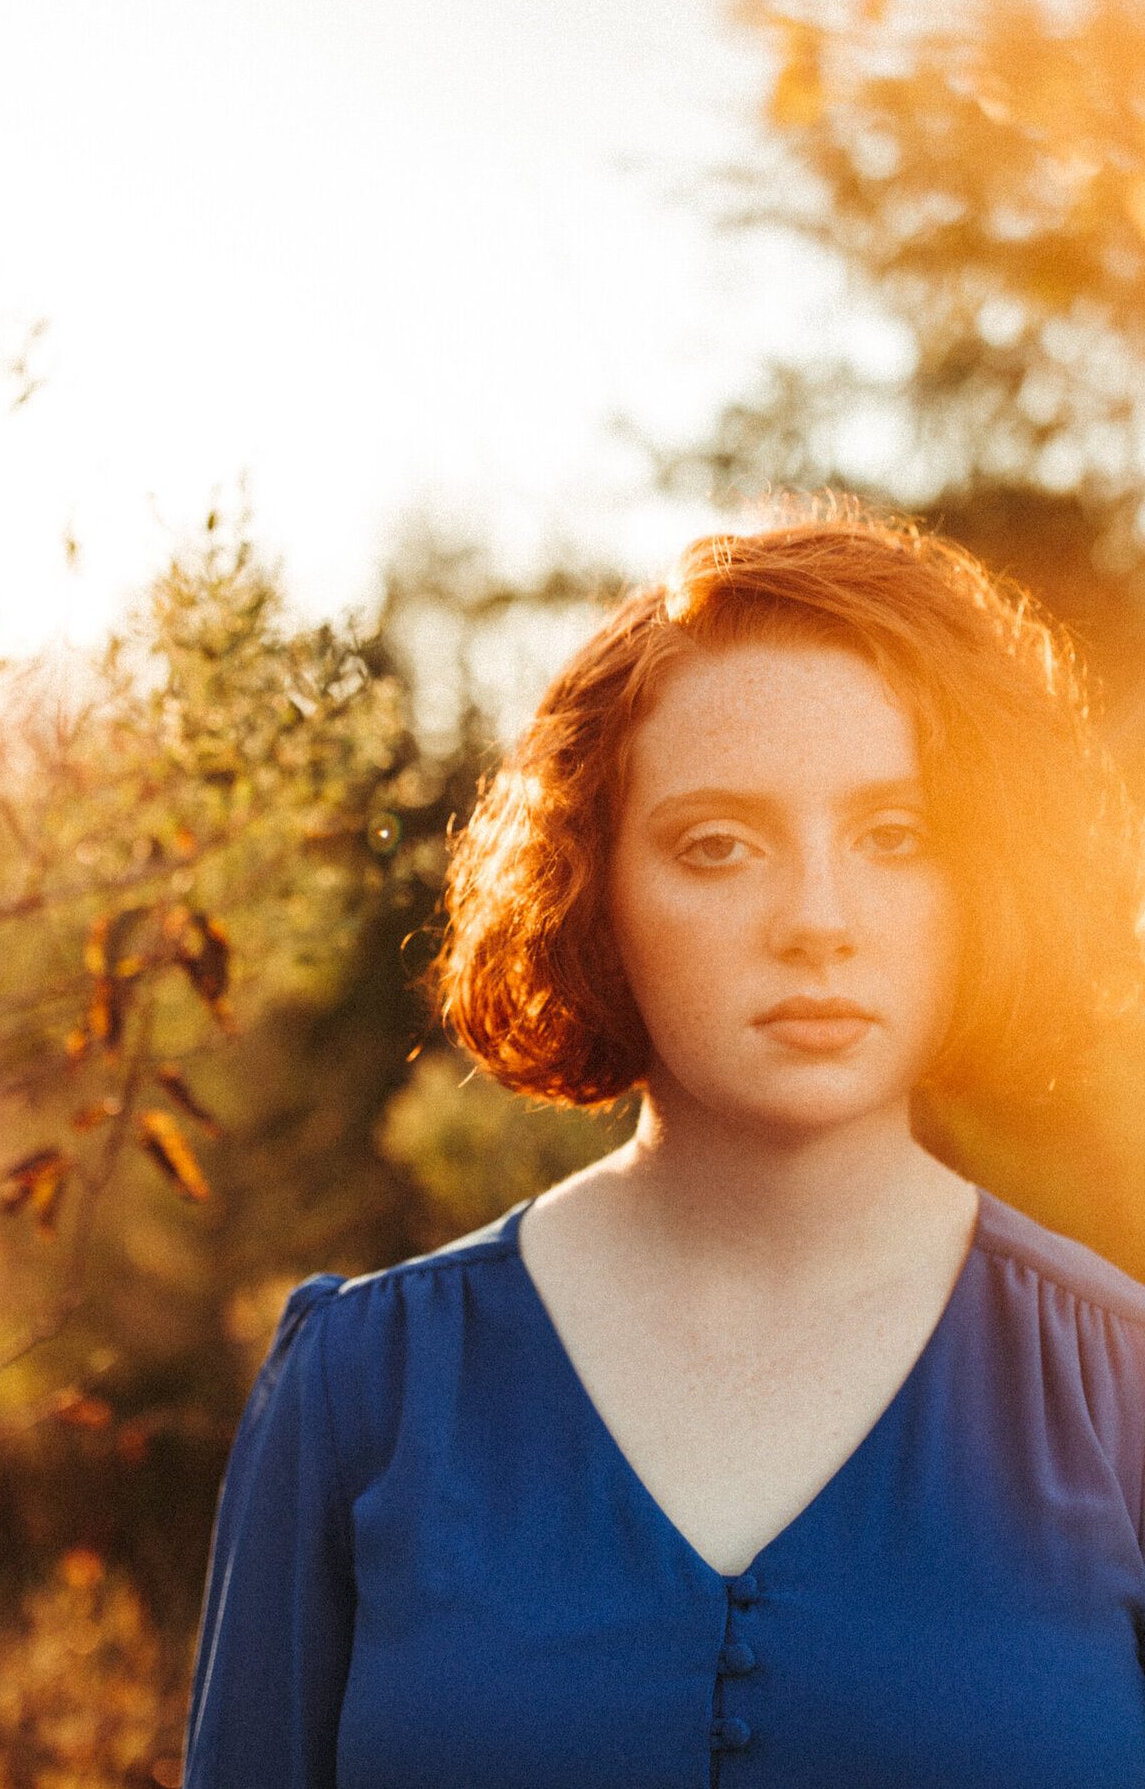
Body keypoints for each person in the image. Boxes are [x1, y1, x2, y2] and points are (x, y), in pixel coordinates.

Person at [184, 512, 1145, 1788]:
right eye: (718, 847)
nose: (817, 920)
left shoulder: (1122, 1394)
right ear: (595, 893)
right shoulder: (359, 1392)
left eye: (894, 838)